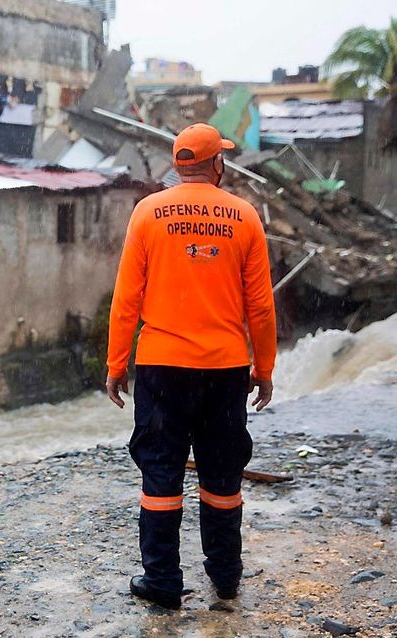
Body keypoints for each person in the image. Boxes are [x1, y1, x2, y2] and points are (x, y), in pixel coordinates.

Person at [105, 123, 277, 610]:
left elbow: (126, 301)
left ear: (180, 165)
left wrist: (117, 364)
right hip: (225, 368)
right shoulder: (243, 217)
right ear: (215, 164)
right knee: (222, 475)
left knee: (160, 472)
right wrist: (264, 367)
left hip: (161, 366)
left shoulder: (147, 213)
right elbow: (260, 306)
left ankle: (162, 582)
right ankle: (225, 576)